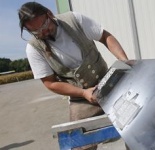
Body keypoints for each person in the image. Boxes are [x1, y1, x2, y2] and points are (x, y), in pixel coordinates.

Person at [18, 2, 128, 150]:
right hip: (80, 98)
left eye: (44, 27)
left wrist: (124, 61)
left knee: (134, 123)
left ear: (49, 14)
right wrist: (83, 92)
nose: (42, 33)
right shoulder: (33, 49)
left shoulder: (74, 20)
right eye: (36, 32)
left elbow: (105, 36)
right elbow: (50, 83)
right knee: (79, 143)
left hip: (108, 83)